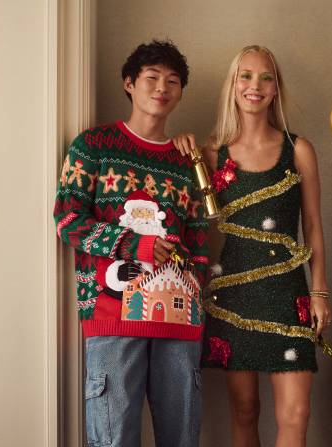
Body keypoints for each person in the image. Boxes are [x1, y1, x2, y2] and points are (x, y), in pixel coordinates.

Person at [173, 45, 332, 447]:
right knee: (244, 410)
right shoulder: (210, 154)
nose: (255, 85)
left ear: (276, 89)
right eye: (245, 76)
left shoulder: (300, 150)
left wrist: (319, 291)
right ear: (233, 85)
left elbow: (312, 226)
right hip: (233, 295)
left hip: (288, 294)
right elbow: (186, 218)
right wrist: (181, 147)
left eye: (265, 77)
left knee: (296, 415)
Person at [54, 40, 209, 447]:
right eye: (152, 78)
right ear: (129, 83)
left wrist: (198, 280)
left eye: (172, 81)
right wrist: (132, 246)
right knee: (113, 439)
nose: (162, 88)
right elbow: (67, 221)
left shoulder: (185, 162)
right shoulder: (93, 146)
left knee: (182, 439)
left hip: (180, 319)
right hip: (111, 313)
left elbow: (198, 234)